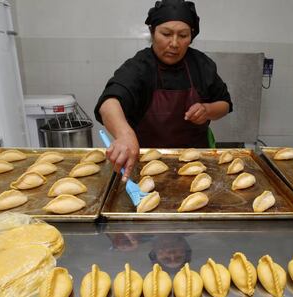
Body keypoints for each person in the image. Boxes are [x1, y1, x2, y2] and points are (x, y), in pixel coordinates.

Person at [95, 0, 232, 180]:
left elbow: (225, 103)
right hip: (146, 166)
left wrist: (207, 110)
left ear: (191, 36)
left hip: (196, 164)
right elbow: (109, 103)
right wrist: (124, 134)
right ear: (152, 32)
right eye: (166, 34)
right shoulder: (140, 66)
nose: (174, 43)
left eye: (183, 35)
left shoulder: (201, 65)